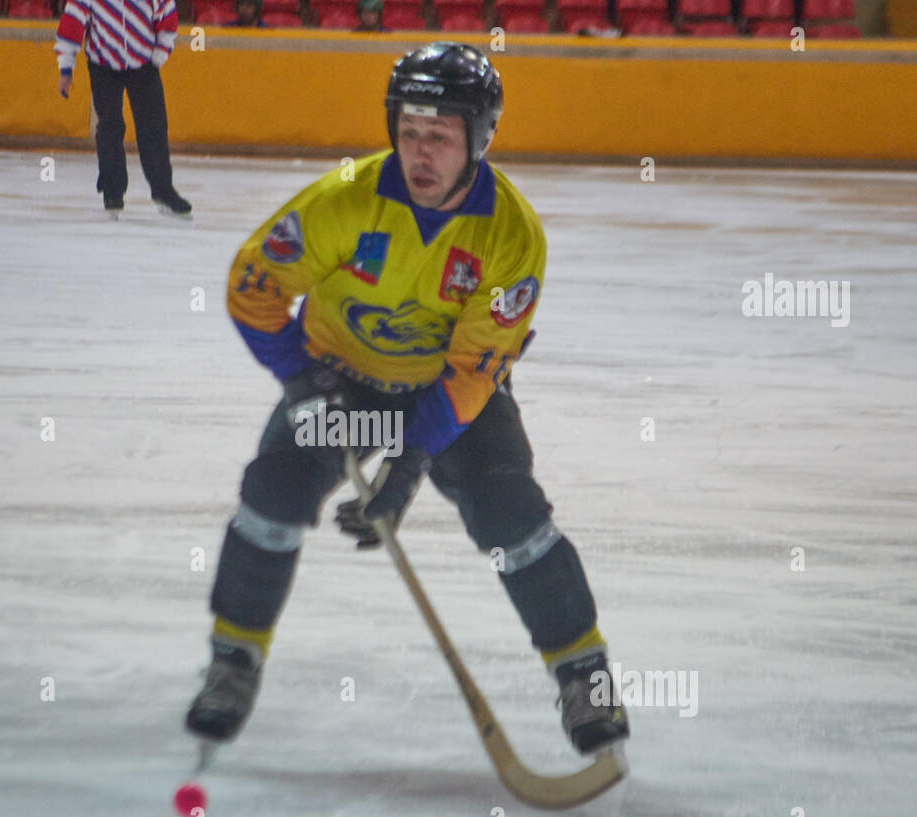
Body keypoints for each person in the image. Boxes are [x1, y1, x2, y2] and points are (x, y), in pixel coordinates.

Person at [186, 42, 629, 760]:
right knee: (272, 495)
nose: (421, 153)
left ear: (479, 141)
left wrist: (410, 463)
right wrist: (305, 385)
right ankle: (231, 663)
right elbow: (252, 286)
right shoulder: (344, 199)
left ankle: (588, 682)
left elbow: (473, 371)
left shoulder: (511, 237)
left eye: (442, 137)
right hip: (342, 382)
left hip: (445, 390)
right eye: (410, 132)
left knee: (511, 514)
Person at [54, 0, 192, 219]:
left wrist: (158, 57)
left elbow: (168, 20)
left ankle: (163, 192)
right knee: (110, 126)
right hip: (102, 64)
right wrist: (65, 70)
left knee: (153, 128)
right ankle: (112, 190)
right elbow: (71, 27)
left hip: (144, 64)